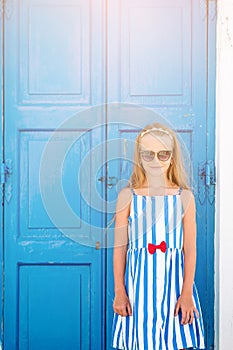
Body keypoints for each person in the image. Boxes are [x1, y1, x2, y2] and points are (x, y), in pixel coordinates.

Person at [111, 123, 205, 349]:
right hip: (139, 289)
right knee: (141, 340)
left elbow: (190, 250)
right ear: (140, 158)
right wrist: (119, 291)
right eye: (148, 154)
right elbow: (119, 249)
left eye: (163, 154)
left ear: (172, 158)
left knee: (175, 340)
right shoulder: (128, 196)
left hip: (175, 287)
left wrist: (186, 293)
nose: (156, 161)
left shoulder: (185, 197)